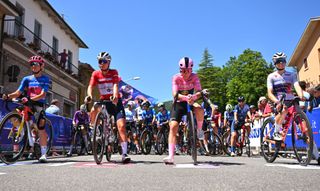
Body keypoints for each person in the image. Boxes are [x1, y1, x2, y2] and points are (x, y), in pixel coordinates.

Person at [2, 55, 50, 163]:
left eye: (36, 64)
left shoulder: (45, 79)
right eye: (31, 64)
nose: (33, 66)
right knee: (15, 114)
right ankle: (24, 131)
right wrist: (8, 96)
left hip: (38, 103)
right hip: (27, 102)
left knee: (41, 127)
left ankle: (43, 154)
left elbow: (43, 94)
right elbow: (18, 92)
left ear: (41, 66)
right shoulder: (26, 79)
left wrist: (31, 99)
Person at [85, 51, 130, 163]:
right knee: (94, 107)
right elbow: (90, 86)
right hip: (104, 100)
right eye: (100, 61)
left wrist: (115, 96)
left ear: (109, 62)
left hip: (115, 102)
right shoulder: (96, 74)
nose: (102, 63)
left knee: (121, 126)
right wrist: (89, 96)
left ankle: (124, 153)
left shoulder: (114, 72)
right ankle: (95, 129)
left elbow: (115, 85)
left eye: (104, 61)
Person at [163, 57, 204, 164]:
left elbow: (199, 92)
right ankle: (171, 156)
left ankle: (199, 130)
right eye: (183, 71)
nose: (185, 73)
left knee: (199, 109)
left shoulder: (195, 77)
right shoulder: (176, 78)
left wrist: (194, 97)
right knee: (173, 126)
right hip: (179, 102)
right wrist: (185, 97)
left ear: (191, 70)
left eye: (188, 71)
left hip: (190, 101)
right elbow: (174, 94)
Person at [267, 52, 305, 141]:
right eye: (279, 61)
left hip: (291, 100)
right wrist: (277, 102)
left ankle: (314, 153)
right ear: (275, 63)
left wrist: (301, 95)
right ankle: (276, 132)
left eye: (283, 61)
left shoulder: (292, 74)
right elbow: (269, 93)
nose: (281, 63)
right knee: (284, 110)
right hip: (278, 101)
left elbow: (296, 85)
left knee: (306, 129)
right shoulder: (271, 76)